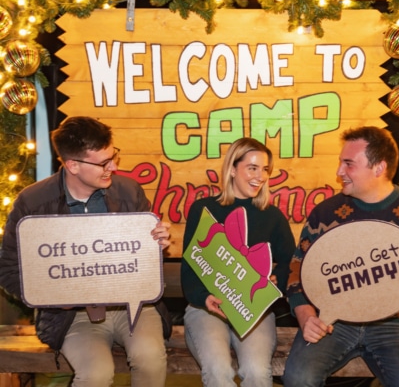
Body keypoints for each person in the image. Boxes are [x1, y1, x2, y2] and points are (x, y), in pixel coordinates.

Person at [0, 116, 171, 387]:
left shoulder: (129, 191)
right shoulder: (32, 202)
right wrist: (54, 297)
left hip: (133, 307)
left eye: (112, 156)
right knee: (96, 374)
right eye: (103, 163)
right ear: (73, 165)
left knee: (150, 358)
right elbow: (9, 270)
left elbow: (145, 264)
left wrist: (155, 245)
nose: (113, 166)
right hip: (73, 315)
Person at [283, 126, 399, 387]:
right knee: (298, 378)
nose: (339, 172)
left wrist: (391, 273)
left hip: (397, 325)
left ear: (379, 168)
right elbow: (297, 271)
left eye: (349, 164)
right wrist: (306, 315)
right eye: (341, 162)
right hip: (334, 321)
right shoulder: (325, 215)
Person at [180, 137, 295, 387]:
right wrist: (202, 298)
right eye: (252, 168)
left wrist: (279, 280)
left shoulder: (273, 216)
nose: (260, 176)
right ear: (232, 169)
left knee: (256, 370)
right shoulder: (203, 210)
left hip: (253, 309)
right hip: (208, 308)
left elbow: (291, 263)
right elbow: (190, 267)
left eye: (265, 170)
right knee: (218, 369)